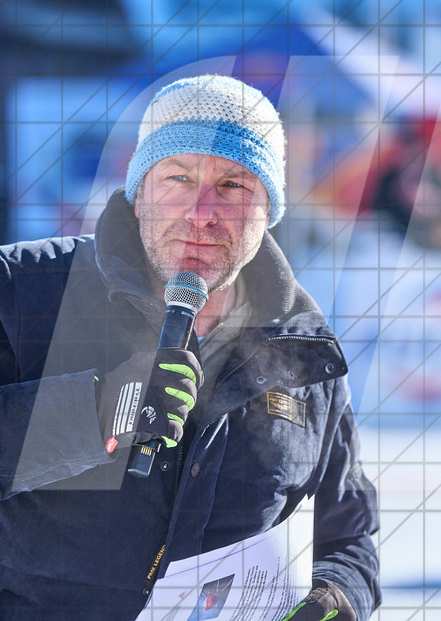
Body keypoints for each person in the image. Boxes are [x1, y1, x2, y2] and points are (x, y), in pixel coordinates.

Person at [0, 75, 380, 620]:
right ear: (138, 192)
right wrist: (101, 411)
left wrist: (333, 600)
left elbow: (348, 536)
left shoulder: (305, 352)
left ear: (268, 207)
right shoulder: (22, 291)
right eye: (179, 177)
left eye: (233, 186)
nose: (202, 212)